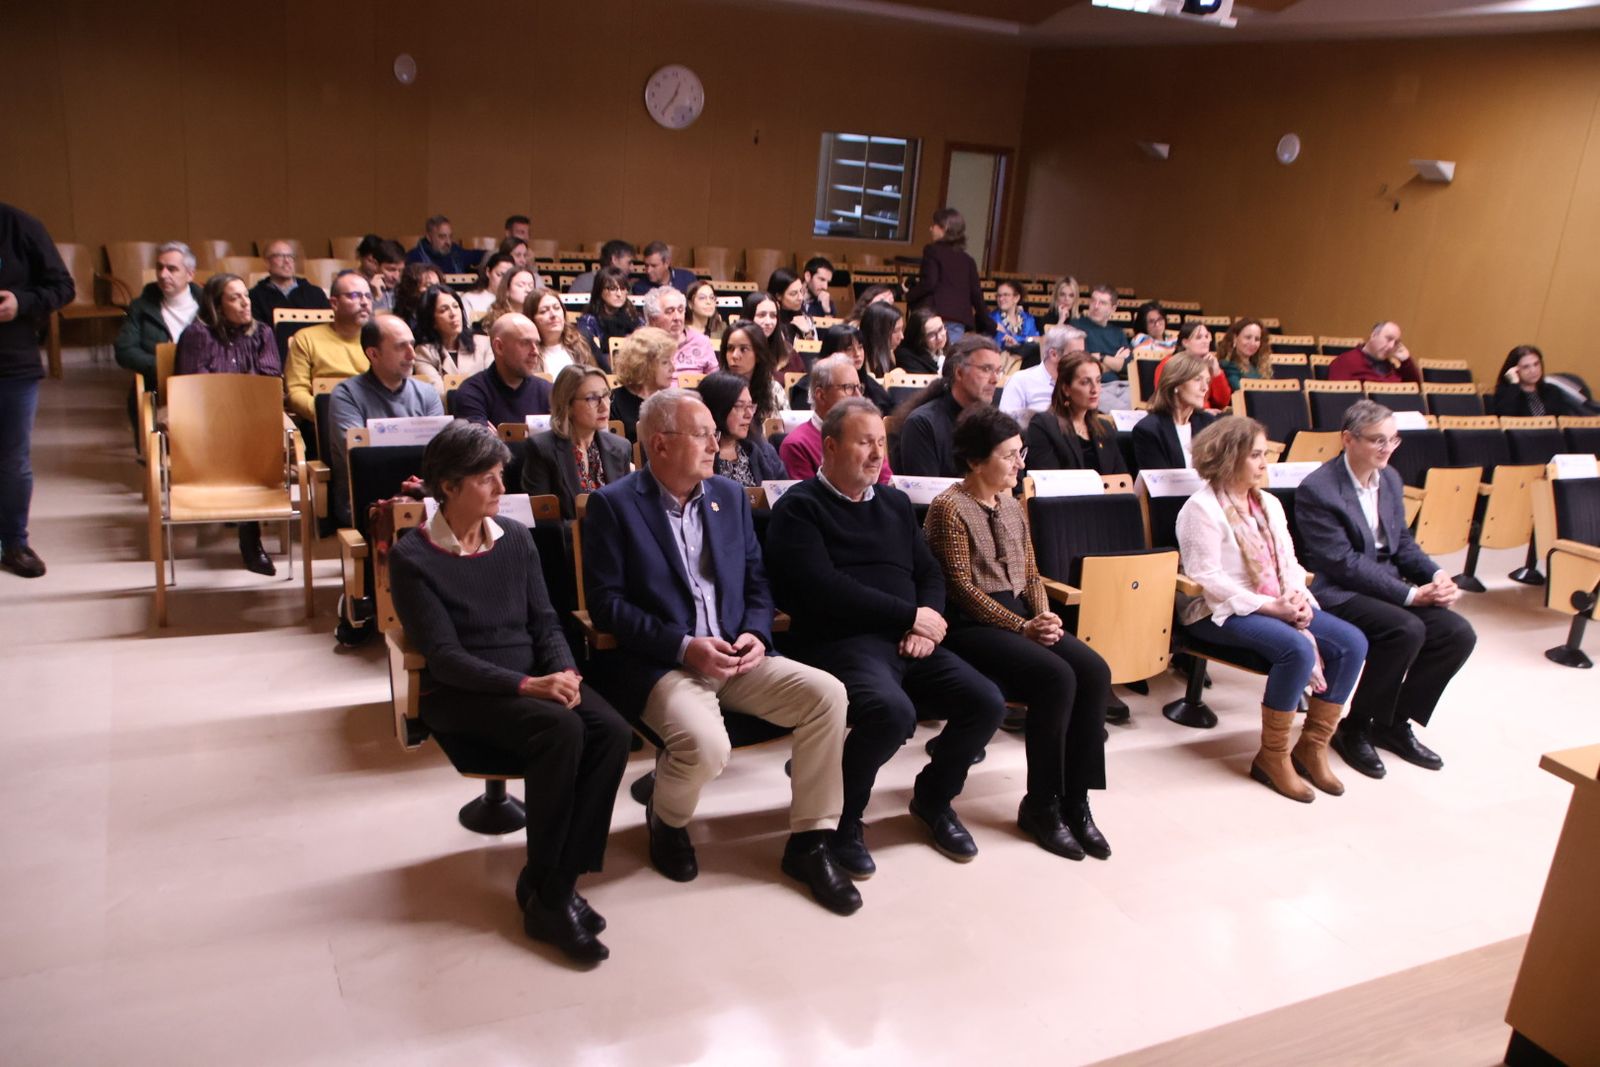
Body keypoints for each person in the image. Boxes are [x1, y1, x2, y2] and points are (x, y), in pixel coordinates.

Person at [583, 390, 859, 915]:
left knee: (828, 695)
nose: (717, 442)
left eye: (714, 431)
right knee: (708, 748)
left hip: (738, 653)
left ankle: (809, 843)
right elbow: (607, 607)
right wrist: (685, 647)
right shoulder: (613, 505)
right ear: (660, 444)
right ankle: (668, 821)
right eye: (703, 433)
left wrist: (757, 630)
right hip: (666, 662)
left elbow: (757, 580)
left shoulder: (728, 498)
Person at [389, 420, 629, 965]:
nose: (502, 489)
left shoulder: (515, 539)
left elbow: (546, 622)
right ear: (449, 486)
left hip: (532, 680)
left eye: (502, 477)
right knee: (561, 730)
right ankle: (550, 896)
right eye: (488, 479)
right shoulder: (413, 557)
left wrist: (564, 673)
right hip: (464, 692)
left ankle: (556, 883)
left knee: (611, 731)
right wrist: (529, 684)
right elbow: (446, 660)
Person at [766, 399, 1006, 874]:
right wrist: (908, 617)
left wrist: (930, 623)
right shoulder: (799, 508)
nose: (877, 454)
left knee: (987, 702)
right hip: (841, 641)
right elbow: (821, 589)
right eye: (864, 442)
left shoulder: (894, 503)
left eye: (881, 442)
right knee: (891, 714)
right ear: (829, 448)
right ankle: (845, 819)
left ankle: (934, 799)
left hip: (910, 640)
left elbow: (929, 572)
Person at [926, 406, 1114, 857]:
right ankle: (1042, 804)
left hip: (1023, 619)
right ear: (975, 460)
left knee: (1095, 671)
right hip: (971, 625)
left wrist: (1045, 616)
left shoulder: (1011, 503)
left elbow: (1031, 573)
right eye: (1009, 456)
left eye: (1020, 453)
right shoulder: (948, 507)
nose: (1019, 464)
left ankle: (1077, 800)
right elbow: (961, 588)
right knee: (1057, 676)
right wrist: (1023, 625)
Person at [1176, 418, 1370, 802]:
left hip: (1277, 602)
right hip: (1221, 610)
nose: (1265, 463)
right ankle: (1273, 755)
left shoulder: (1269, 502)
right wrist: (1273, 607)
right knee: (1295, 650)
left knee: (1352, 643)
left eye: (1266, 454)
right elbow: (1208, 578)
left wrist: (1295, 596)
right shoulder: (1200, 509)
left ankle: (1312, 746)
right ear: (1229, 458)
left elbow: (1290, 562)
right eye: (1256, 455)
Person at [1296, 400, 1476, 778]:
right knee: (1405, 628)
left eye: (1393, 440)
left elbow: (1402, 543)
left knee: (1457, 633)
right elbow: (1341, 563)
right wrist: (1411, 595)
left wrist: (1438, 575)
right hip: (1339, 591)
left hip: (1385, 585)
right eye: (1378, 441)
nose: (1387, 449)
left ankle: (1393, 723)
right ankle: (1356, 726)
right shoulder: (1319, 488)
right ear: (1348, 439)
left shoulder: (1389, 479)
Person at [172, 272, 284, 575]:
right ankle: (251, 542)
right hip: (206, 424)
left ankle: (251, 540)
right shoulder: (198, 335)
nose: (245, 302)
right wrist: (239, 390)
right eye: (235, 297)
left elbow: (271, 375)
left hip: (253, 421)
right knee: (239, 445)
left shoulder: (262, 333)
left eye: (246, 295)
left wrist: (235, 391)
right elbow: (195, 384)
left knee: (250, 444)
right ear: (217, 306)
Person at [0, 203, 74, 579]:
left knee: (12, 461)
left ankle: (14, 542)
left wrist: (21, 302)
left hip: (12, 364)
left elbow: (63, 287)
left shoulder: (20, 226)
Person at [327, 315, 443, 528]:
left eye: (412, 344)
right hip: (368, 498)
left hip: (424, 493)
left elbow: (441, 454)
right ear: (373, 354)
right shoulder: (346, 395)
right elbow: (358, 459)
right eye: (401, 347)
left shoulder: (427, 393)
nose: (412, 355)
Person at [521, 365, 631, 518]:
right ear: (567, 405)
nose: (604, 407)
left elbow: (626, 509)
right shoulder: (541, 449)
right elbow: (543, 521)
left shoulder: (620, 447)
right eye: (592, 398)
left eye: (606, 395)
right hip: (568, 540)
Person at [114, 241, 202, 432]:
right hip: (157, 386)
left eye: (172, 269)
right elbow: (124, 350)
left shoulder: (209, 307)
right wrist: (163, 365)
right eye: (160, 268)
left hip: (203, 384)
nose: (163, 275)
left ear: (190, 274)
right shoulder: (141, 306)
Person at [897, 336, 1006, 477]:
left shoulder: (993, 421)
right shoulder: (922, 424)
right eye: (986, 369)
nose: (995, 379)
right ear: (959, 372)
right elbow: (924, 494)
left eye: (998, 371)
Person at [780, 354, 893, 484]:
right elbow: (808, 500)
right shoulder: (797, 445)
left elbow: (886, 485)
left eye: (859, 387)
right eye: (848, 388)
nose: (858, 396)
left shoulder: (870, 435)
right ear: (821, 395)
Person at [284, 270, 371, 424]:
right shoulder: (306, 338)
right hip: (324, 421)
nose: (364, 302)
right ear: (334, 303)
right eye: (355, 296)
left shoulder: (379, 338)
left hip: (373, 418)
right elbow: (296, 393)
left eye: (368, 296)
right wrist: (331, 413)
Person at [1025, 351, 1128, 475]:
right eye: (1085, 382)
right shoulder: (1044, 425)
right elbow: (1047, 484)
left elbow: (1122, 482)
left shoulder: (1105, 428)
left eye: (1098, 381)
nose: (1095, 389)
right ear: (1066, 389)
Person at [453, 313, 554, 427]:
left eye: (537, 343)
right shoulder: (472, 393)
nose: (535, 351)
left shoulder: (549, 392)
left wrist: (500, 438)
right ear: (499, 347)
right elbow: (481, 444)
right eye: (525, 343)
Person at [904, 207, 986, 342]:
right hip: (958, 319)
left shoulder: (932, 250)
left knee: (931, 360)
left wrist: (908, 295)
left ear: (945, 227)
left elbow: (929, 283)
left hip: (935, 316)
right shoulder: (968, 260)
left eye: (934, 225)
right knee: (949, 360)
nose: (931, 229)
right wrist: (988, 323)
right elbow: (976, 294)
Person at [696, 371, 785, 487]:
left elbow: (784, 493)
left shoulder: (763, 451)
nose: (749, 414)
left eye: (750, 406)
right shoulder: (698, 456)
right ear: (717, 407)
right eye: (739, 406)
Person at [1132, 353, 1217, 471]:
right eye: (1197, 380)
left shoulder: (1209, 423)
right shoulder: (1148, 430)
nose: (1205, 388)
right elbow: (1161, 483)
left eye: (1207, 381)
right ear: (1176, 384)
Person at [411, 285, 492, 397]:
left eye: (455, 306)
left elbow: (492, 387)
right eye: (444, 310)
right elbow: (439, 394)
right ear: (432, 321)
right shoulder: (424, 353)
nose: (453, 314)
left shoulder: (483, 343)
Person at [251, 240, 328, 356]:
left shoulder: (315, 293)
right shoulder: (255, 296)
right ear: (267, 263)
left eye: (290, 257)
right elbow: (257, 335)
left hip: (316, 355)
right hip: (274, 356)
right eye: (280, 256)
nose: (287, 261)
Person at [999, 324, 1084, 425]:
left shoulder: (1081, 384)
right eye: (1076, 354)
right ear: (1054, 354)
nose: (1082, 360)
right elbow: (1004, 427)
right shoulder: (1020, 381)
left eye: (1083, 353)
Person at [608, 327, 675, 442]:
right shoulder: (613, 403)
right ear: (644, 365)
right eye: (665, 362)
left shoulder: (672, 401)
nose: (673, 368)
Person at [645, 285, 716, 388]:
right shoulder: (642, 346)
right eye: (670, 312)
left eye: (680, 310)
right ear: (653, 320)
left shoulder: (702, 342)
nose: (677, 318)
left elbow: (716, 386)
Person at [718, 319, 785, 423]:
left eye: (743, 349)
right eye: (730, 348)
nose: (735, 356)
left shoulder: (773, 389)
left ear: (758, 355)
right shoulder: (716, 388)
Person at [1155, 321, 1230, 412]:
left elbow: (1222, 403)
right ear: (1185, 342)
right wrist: (1202, 412)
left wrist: (1217, 371)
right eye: (1199, 337)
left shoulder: (1210, 363)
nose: (1205, 341)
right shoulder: (1170, 363)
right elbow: (1167, 399)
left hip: (1207, 416)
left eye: (1207, 337)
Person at [575, 266, 642, 365]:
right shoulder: (589, 321)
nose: (619, 294)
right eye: (612, 289)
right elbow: (587, 356)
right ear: (600, 290)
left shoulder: (635, 318)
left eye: (623, 288)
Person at [524, 287, 597, 378]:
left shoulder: (580, 344)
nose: (553, 315)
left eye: (557, 308)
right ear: (531, 319)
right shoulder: (527, 353)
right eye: (544, 311)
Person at [1493, 344, 1582, 417]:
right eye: (1526, 367)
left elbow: (1561, 422)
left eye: (1536, 364)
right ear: (1515, 370)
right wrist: (1514, 386)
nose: (1533, 370)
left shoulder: (1551, 391)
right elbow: (1504, 419)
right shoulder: (1506, 393)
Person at [1070, 284, 1131, 383]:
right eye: (1093, 301)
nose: (1096, 306)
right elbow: (1082, 367)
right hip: (1091, 386)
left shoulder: (1118, 333)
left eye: (1102, 303)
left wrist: (1100, 357)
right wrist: (1114, 361)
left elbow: (1126, 367)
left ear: (1113, 308)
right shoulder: (1076, 326)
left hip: (1119, 385)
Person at [1327, 321, 1420, 384]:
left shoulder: (1392, 367)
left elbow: (1414, 389)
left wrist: (1406, 361)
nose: (1391, 346)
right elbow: (1337, 399)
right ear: (1373, 335)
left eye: (1396, 342)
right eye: (1389, 339)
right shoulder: (1346, 361)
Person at [743, 291, 802, 378]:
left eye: (773, 315)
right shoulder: (738, 351)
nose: (768, 322)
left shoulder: (788, 351)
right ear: (749, 318)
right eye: (762, 315)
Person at [1217, 317, 1273, 392]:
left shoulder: (1259, 366)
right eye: (1248, 337)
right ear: (1235, 338)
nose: (1252, 343)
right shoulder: (1227, 365)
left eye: (1257, 339)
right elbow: (1242, 392)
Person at [480, 266, 539, 334]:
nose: (528, 290)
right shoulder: (493, 320)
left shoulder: (537, 317)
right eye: (520, 285)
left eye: (531, 286)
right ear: (507, 290)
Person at [405, 214, 472, 273]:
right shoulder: (414, 258)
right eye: (442, 237)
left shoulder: (455, 251)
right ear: (429, 237)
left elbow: (477, 256)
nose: (448, 242)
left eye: (450, 236)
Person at [768, 268, 817, 345]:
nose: (800, 297)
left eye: (801, 291)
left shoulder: (806, 318)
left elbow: (814, 352)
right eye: (793, 294)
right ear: (779, 296)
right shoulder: (769, 320)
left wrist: (807, 332)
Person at [460, 252, 513, 323]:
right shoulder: (469, 298)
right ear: (488, 272)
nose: (504, 280)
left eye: (508, 276)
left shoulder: (516, 300)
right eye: (500, 275)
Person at [569, 240, 635, 296]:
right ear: (614, 259)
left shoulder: (626, 283)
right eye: (629, 263)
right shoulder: (584, 281)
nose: (632, 268)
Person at [356, 235, 404, 312]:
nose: (396, 277)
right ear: (376, 264)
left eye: (400, 271)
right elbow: (364, 322)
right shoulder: (361, 291)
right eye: (391, 270)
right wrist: (376, 297)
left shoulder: (405, 289)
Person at [859, 301, 904, 383]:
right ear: (878, 332)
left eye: (901, 329)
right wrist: (890, 380)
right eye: (895, 331)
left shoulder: (890, 354)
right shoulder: (860, 358)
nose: (901, 336)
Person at [629, 241, 695, 295]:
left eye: (654, 266)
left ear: (667, 263)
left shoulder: (687, 279)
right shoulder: (640, 287)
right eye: (646, 265)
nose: (648, 271)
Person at [392, 263, 443, 333]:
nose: (436, 290)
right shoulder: (399, 323)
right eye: (428, 286)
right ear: (412, 289)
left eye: (438, 286)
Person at [895, 307, 947, 374]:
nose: (939, 337)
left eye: (940, 329)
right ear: (919, 338)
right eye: (931, 334)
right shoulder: (907, 357)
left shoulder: (948, 349)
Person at [990, 281, 1040, 350]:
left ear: (1016, 298)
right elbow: (996, 343)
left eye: (1006, 295)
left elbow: (1036, 342)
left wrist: (1016, 341)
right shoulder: (992, 318)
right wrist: (1026, 339)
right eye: (998, 296)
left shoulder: (1029, 319)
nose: (1001, 299)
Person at [684, 280, 726, 345]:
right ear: (690, 304)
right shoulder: (681, 331)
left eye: (712, 297)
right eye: (702, 298)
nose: (709, 302)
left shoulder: (722, 328)